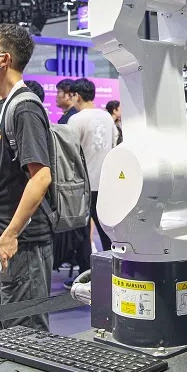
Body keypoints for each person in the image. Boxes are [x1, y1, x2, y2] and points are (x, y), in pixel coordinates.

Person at [0, 23, 54, 331]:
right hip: (1, 232)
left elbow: (41, 177)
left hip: (23, 237)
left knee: (25, 325)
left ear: (4, 59)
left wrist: (13, 234)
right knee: (4, 321)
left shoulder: (25, 107)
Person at [68, 78, 118, 259]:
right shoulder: (107, 117)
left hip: (83, 185)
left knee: (82, 234)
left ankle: (87, 273)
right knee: (107, 232)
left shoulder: (75, 119)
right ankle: (111, 267)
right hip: (105, 184)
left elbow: (70, 153)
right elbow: (114, 144)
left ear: (77, 96)